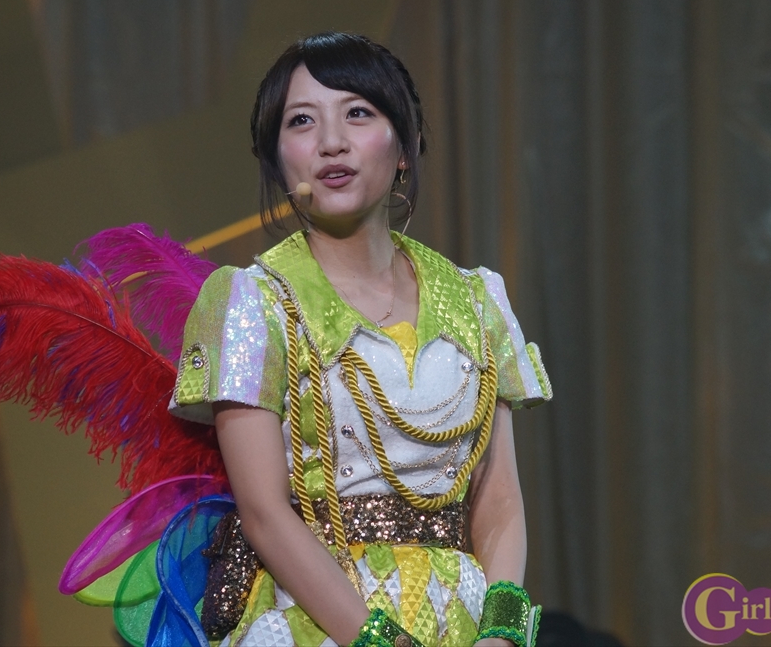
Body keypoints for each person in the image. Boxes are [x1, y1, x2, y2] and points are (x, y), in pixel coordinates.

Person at [168, 32, 552, 647]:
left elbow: (499, 495)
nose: (331, 142)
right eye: (301, 121)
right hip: (321, 620)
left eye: (358, 112)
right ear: (277, 158)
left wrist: (502, 632)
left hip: (465, 620)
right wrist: (378, 641)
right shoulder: (252, 302)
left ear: (404, 145)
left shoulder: (477, 298)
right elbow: (264, 512)